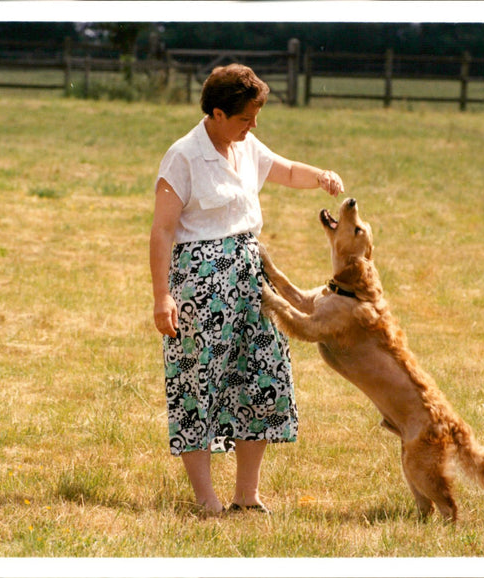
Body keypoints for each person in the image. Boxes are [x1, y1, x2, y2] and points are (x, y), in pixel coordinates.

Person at [149, 64, 344, 516]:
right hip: (200, 283)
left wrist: (320, 175)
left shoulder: (245, 144)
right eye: (245, 118)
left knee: (261, 377)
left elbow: (287, 169)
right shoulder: (183, 156)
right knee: (200, 382)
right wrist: (163, 296)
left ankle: (247, 495)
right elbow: (161, 233)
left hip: (253, 279)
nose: (253, 125)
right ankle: (205, 499)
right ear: (217, 113)